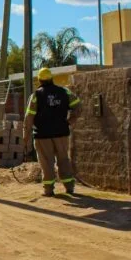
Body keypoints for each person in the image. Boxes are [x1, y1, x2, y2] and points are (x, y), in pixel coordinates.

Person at [23, 68, 81, 196]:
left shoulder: (36, 96)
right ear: (51, 78)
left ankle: (48, 190)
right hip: (62, 133)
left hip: (42, 135)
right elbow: (78, 106)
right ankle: (69, 187)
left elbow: (29, 118)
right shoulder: (64, 92)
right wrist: (70, 121)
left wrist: (25, 137)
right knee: (64, 159)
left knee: (46, 162)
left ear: (39, 80)